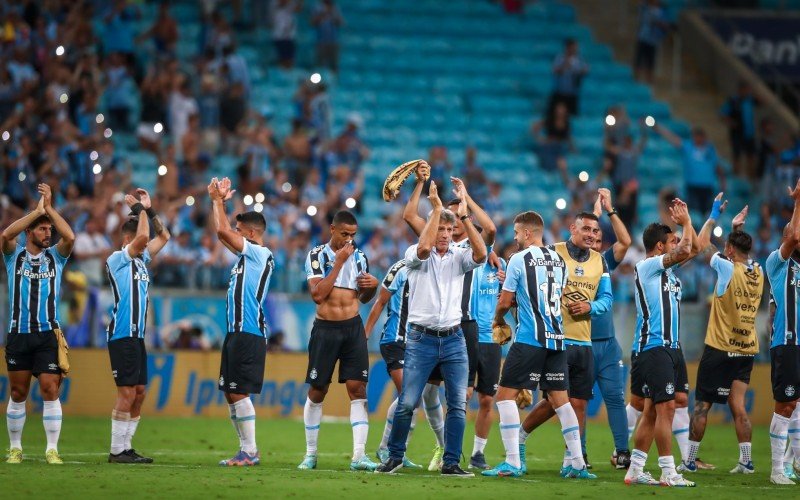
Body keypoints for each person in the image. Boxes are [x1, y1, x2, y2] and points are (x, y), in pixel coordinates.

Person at [375, 181, 487, 477]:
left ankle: (451, 463)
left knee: (458, 405)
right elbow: (424, 247)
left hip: (454, 340)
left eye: (450, 232)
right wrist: (437, 209)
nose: (446, 236)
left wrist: (463, 218)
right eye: (441, 229)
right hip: (421, 339)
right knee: (407, 403)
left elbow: (482, 254)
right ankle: (395, 456)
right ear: (433, 229)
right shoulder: (416, 252)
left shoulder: (459, 258)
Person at [482, 211, 594, 479]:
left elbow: (505, 301)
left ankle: (512, 462)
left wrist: (497, 321)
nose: (516, 238)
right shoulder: (559, 260)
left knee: (505, 396)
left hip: (530, 338)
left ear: (528, 233)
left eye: (518, 233)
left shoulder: (518, 260)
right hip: (557, 339)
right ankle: (577, 464)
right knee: (561, 401)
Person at [402, 167, 499, 471]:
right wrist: (430, 200)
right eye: (448, 218)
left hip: (470, 328)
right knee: (432, 395)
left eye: (455, 218)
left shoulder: (469, 245)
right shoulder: (434, 237)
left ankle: (464, 454)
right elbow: (412, 220)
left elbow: (491, 232)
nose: (451, 223)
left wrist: (466, 201)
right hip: (439, 328)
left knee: (471, 398)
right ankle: (439, 447)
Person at [518, 208, 613, 471]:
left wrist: (590, 308)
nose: (591, 234)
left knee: (579, 402)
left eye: (595, 230)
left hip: (583, 341)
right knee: (554, 401)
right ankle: (520, 437)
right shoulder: (552, 252)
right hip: (555, 339)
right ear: (573, 229)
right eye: (586, 229)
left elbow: (607, 298)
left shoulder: (600, 261)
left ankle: (572, 460)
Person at [683, 196, 762, 474]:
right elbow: (739, 250)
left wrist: (715, 212)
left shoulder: (726, 266)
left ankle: (690, 460)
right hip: (746, 348)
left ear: (729, 249)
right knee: (738, 406)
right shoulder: (758, 271)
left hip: (719, 348)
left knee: (702, 405)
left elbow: (702, 245)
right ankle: (746, 461)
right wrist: (737, 228)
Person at [298, 210, 380, 472]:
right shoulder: (316, 255)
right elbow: (318, 295)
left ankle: (359, 456)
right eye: (344, 234)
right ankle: (310, 454)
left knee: (358, 390)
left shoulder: (361, 257)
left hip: (352, 328)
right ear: (332, 229)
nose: (349, 240)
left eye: (353, 235)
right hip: (326, 329)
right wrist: (338, 263)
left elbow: (363, 298)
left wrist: (372, 286)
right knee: (318, 390)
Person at [624, 199, 698, 487]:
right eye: (672, 240)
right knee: (665, 408)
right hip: (654, 347)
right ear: (659, 247)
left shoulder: (668, 272)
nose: (677, 242)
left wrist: (709, 218)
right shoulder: (647, 267)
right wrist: (687, 223)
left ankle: (635, 469)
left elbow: (695, 247)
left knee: (656, 409)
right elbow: (685, 250)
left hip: (670, 348)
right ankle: (669, 471)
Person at [3, 183, 75, 465]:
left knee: (50, 389)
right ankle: (15, 448)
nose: (49, 233)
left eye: (49, 229)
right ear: (30, 232)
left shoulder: (56, 258)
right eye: (43, 229)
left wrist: (49, 209)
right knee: (18, 392)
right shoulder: (13, 256)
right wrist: (35, 212)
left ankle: (51, 449)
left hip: (47, 335)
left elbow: (70, 235)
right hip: (19, 335)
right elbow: (6, 234)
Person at [209, 177, 276, 467]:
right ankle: (244, 450)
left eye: (240, 231)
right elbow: (223, 233)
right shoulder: (245, 259)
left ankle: (250, 451)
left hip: (248, 331)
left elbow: (222, 230)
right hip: (236, 331)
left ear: (250, 232)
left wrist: (216, 201)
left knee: (237, 391)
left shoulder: (259, 253)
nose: (235, 234)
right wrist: (220, 204)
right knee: (230, 392)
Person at [106, 189, 170, 463]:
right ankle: (116, 450)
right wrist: (140, 210)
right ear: (128, 239)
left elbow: (164, 237)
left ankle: (126, 446)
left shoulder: (141, 258)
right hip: (122, 333)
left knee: (140, 392)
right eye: (140, 243)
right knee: (127, 392)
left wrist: (151, 211)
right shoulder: (118, 259)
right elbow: (145, 237)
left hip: (137, 336)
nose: (146, 247)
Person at [364, 259, 443, 468]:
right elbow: (380, 301)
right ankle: (387, 449)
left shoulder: (437, 267)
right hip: (395, 340)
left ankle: (395, 451)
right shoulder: (401, 268)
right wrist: (365, 334)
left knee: (410, 399)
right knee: (409, 396)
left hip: (420, 344)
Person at [584, 188, 633, 469]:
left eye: (599, 238)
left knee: (615, 397)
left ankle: (622, 452)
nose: (594, 241)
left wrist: (609, 210)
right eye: (590, 235)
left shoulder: (603, 261)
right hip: (580, 343)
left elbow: (625, 241)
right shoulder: (566, 260)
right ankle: (579, 454)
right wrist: (594, 214)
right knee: (579, 402)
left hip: (608, 343)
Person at [764, 178, 800, 485]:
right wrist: (798, 201)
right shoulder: (776, 265)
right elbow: (794, 233)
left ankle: (794, 462)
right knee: (786, 405)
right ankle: (777, 470)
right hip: (786, 344)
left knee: (798, 405)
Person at [653, 124, 725, 211]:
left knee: (708, 213)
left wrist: (722, 182)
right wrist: (658, 128)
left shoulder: (710, 149)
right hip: (692, 187)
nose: (698, 139)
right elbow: (673, 139)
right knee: (694, 212)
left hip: (707, 187)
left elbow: (717, 166)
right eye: (696, 136)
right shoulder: (688, 147)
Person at [721, 82, 759, 178]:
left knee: (751, 156)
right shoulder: (733, 100)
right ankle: (736, 176)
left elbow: (764, 101)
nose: (748, 92)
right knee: (737, 156)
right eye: (746, 90)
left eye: (749, 90)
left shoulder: (750, 100)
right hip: (737, 133)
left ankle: (751, 178)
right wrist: (731, 123)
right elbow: (723, 114)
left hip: (749, 133)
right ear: (741, 90)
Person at [549, 38, 589, 116]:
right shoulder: (560, 58)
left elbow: (585, 70)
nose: (575, 49)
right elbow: (554, 70)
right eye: (573, 47)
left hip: (573, 92)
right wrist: (565, 65)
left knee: (573, 115)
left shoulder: (579, 59)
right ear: (568, 47)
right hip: (560, 92)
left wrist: (581, 71)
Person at [633, 0, 669, 83]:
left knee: (650, 61)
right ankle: (636, 79)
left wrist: (659, 25)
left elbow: (665, 25)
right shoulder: (644, 8)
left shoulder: (662, 12)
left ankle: (649, 80)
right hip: (643, 37)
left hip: (653, 39)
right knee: (639, 59)